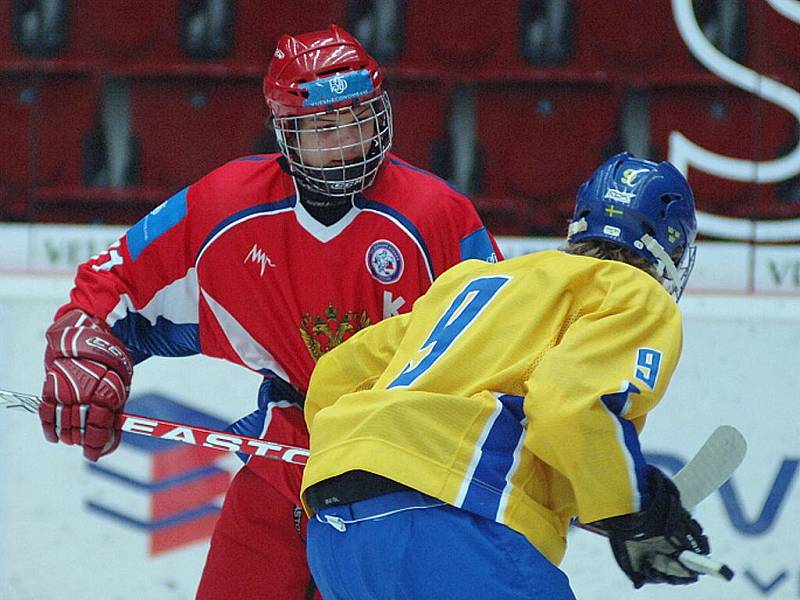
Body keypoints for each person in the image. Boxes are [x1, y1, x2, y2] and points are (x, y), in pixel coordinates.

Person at [36, 25, 501, 600]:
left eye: (359, 119)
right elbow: (114, 284)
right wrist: (85, 348)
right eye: (324, 128)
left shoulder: (438, 215)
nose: (347, 142)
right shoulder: (225, 206)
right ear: (287, 133)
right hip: (286, 463)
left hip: (410, 475)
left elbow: (503, 342)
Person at [300, 152, 712, 599]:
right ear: (671, 246)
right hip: (453, 526)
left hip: (337, 538)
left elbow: (335, 376)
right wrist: (632, 510)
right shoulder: (634, 293)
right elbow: (568, 405)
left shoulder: (473, 280)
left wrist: (363, 456)